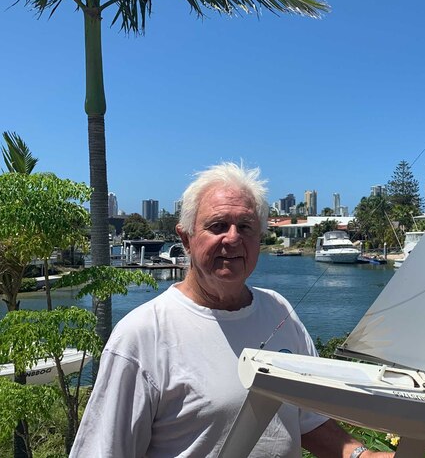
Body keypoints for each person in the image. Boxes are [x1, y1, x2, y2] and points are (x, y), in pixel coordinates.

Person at [71, 162, 393, 458]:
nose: (233, 238)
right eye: (218, 225)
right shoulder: (142, 335)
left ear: (259, 239)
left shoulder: (279, 311)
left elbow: (308, 418)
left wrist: (360, 455)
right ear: (186, 238)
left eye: (246, 226)